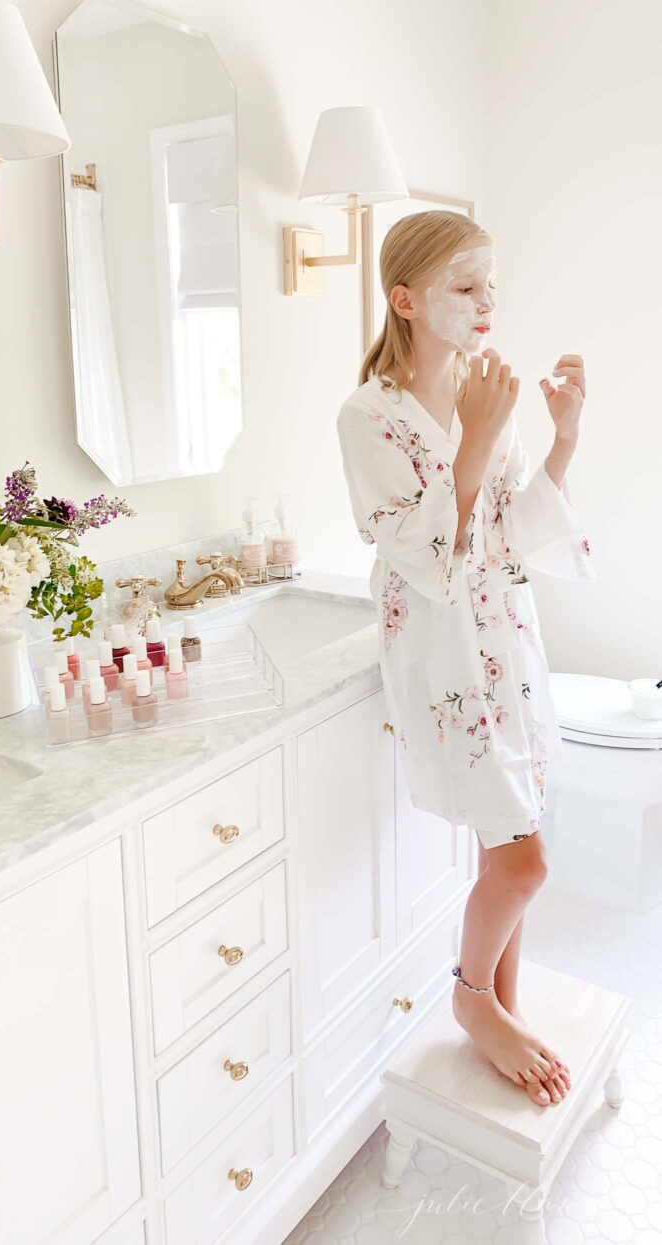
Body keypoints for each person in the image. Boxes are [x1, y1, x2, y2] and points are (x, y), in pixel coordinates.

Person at [336, 210, 596, 1107]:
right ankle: (473, 998)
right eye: (464, 286)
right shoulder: (368, 416)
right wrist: (480, 434)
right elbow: (421, 555)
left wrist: (560, 436)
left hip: (507, 636)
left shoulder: (488, 386)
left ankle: (503, 1006)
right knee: (525, 862)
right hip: (446, 656)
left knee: (507, 840)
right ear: (405, 300)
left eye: (492, 285)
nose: (487, 303)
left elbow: (511, 537)